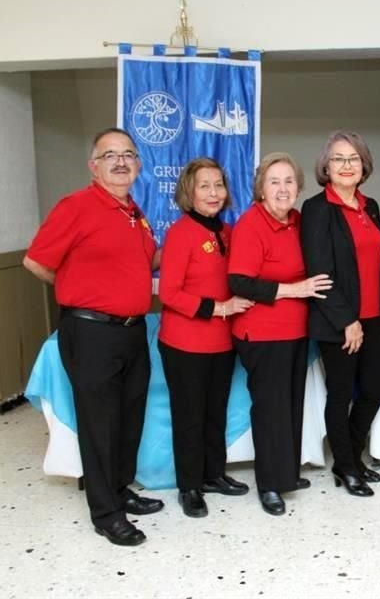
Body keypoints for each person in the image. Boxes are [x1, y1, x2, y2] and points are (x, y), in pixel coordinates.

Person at [23, 128, 162, 546]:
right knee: (100, 424)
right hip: (90, 332)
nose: (120, 161)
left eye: (128, 155)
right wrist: (75, 291)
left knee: (128, 419)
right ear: (94, 165)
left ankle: (119, 491)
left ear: (138, 165)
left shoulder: (133, 211)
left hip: (132, 331)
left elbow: (138, 264)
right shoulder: (76, 207)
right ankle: (105, 513)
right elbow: (35, 261)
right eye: (110, 155)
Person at [227, 152, 332, 516]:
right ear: (260, 189)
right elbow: (238, 281)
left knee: (290, 405)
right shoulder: (250, 225)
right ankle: (269, 484)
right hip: (261, 333)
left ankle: (286, 474)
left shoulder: (297, 221)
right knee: (271, 410)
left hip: (294, 331)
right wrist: (294, 289)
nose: (283, 188)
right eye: (275, 182)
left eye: (289, 181)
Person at [158, 157, 254, 519]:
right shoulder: (181, 233)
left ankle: (214, 475)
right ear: (189, 192)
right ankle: (190, 486)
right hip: (185, 344)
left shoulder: (228, 232)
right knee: (190, 417)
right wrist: (219, 308)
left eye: (219, 185)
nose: (213, 193)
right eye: (204, 186)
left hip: (222, 343)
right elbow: (169, 293)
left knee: (216, 414)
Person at [300, 131, 380, 498]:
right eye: (338, 158)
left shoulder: (370, 206)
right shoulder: (317, 209)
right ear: (327, 166)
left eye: (353, 158)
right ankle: (349, 467)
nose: (347, 165)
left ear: (363, 164)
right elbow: (319, 271)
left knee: (375, 389)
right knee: (340, 396)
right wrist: (346, 321)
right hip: (339, 321)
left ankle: (348, 457)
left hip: (373, 318)